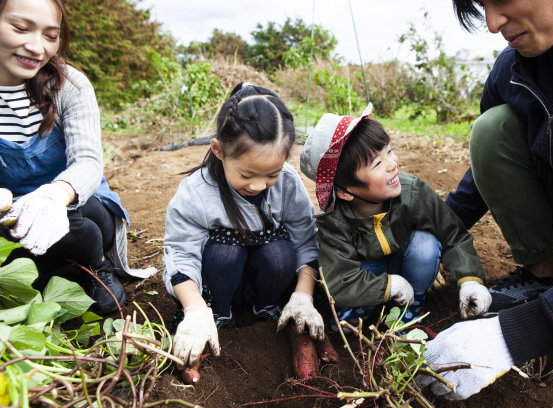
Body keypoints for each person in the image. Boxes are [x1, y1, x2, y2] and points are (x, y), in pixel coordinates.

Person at [419, 0, 553, 400]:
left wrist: (518, 334)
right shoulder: (518, 67)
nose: (492, 24)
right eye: (483, 6)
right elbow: (492, 159)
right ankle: (539, 277)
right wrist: (434, 235)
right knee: (493, 128)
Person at [0, 0, 155, 315]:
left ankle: (96, 265)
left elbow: (88, 163)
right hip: (12, 217)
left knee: (74, 222)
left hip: (80, 205)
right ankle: (53, 272)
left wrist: (53, 196)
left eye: (50, 35)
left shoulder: (68, 86)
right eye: (20, 28)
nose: (37, 47)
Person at [163, 82, 325, 371]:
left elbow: (305, 240)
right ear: (218, 150)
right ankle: (218, 316)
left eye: (272, 173)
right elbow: (181, 254)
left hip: (268, 278)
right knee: (225, 251)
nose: (258, 185)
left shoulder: (288, 183)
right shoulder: (195, 193)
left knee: (279, 251)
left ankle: (268, 307)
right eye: (247, 174)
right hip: (217, 283)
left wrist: (303, 295)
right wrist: (195, 309)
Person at [299, 103, 490, 332]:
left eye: (388, 151)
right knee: (352, 280)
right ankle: (363, 306)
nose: (392, 164)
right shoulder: (333, 223)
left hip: (407, 265)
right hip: (369, 276)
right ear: (344, 191)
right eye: (377, 163)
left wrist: (470, 280)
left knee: (425, 244)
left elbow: (453, 235)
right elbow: (340, 280)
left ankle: (412, 304)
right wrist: (389, 286)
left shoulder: (414, 193)